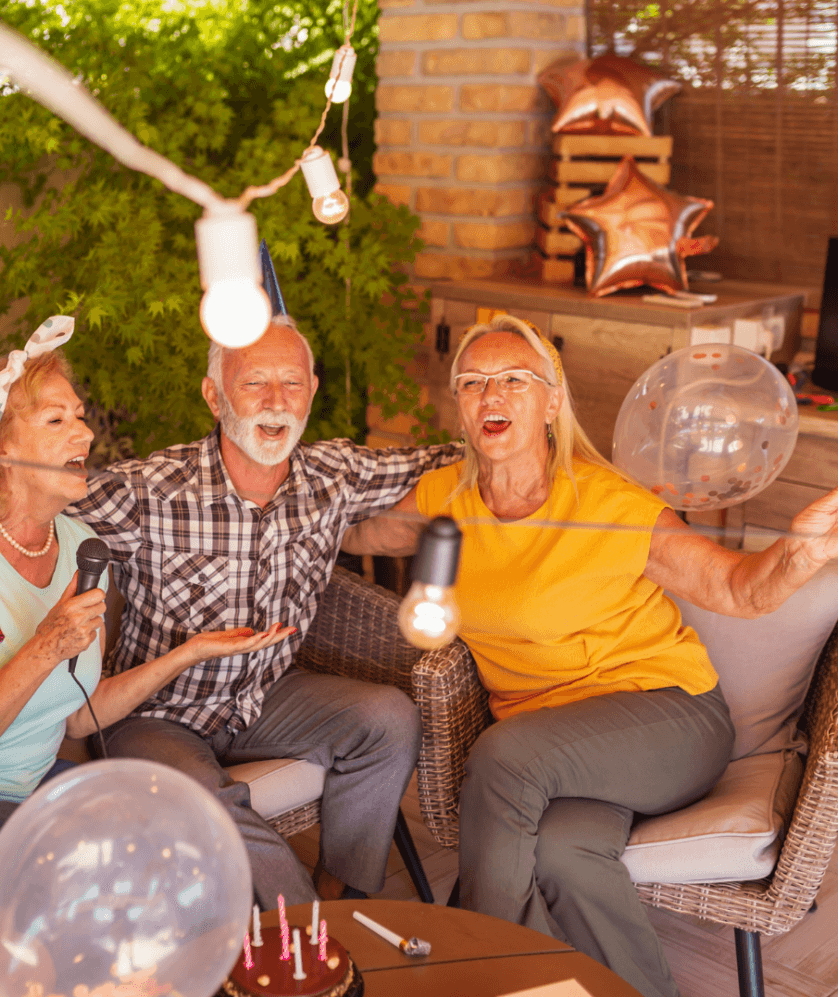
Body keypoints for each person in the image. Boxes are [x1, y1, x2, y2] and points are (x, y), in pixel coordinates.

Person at [0, 314, 463, 908]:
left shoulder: (334, 476)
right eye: (255, 382)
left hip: (263, 697)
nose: (276, 401)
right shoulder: (143, 493)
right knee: (194, 819)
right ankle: (304, 948)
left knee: (387, 717)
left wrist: (534, 449)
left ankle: (343, 895)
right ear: (214, 395)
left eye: (292, 382)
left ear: (313, 390)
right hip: (156, 713)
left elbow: (445, 462)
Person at [340, 313, 838, 997]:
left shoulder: (609, 504)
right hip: (553, 752)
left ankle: (475, 976)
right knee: (566, 854)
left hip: (667, 718)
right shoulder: (442, 504)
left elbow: (736, 587)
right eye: (474, 382)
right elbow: (351, 530)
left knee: (502, 756)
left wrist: (799, 554)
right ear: (457, 403)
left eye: (515, 379)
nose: (493, 395)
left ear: (551, 400)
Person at [0, 318, 291, 909]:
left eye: (79, 416)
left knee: (179, 841)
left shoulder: (79, 541)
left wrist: (189, 651)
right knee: (103, 880)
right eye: (56, 421)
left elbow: (78, 718)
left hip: (16, 794)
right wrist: (46, 644)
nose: (83, 433)